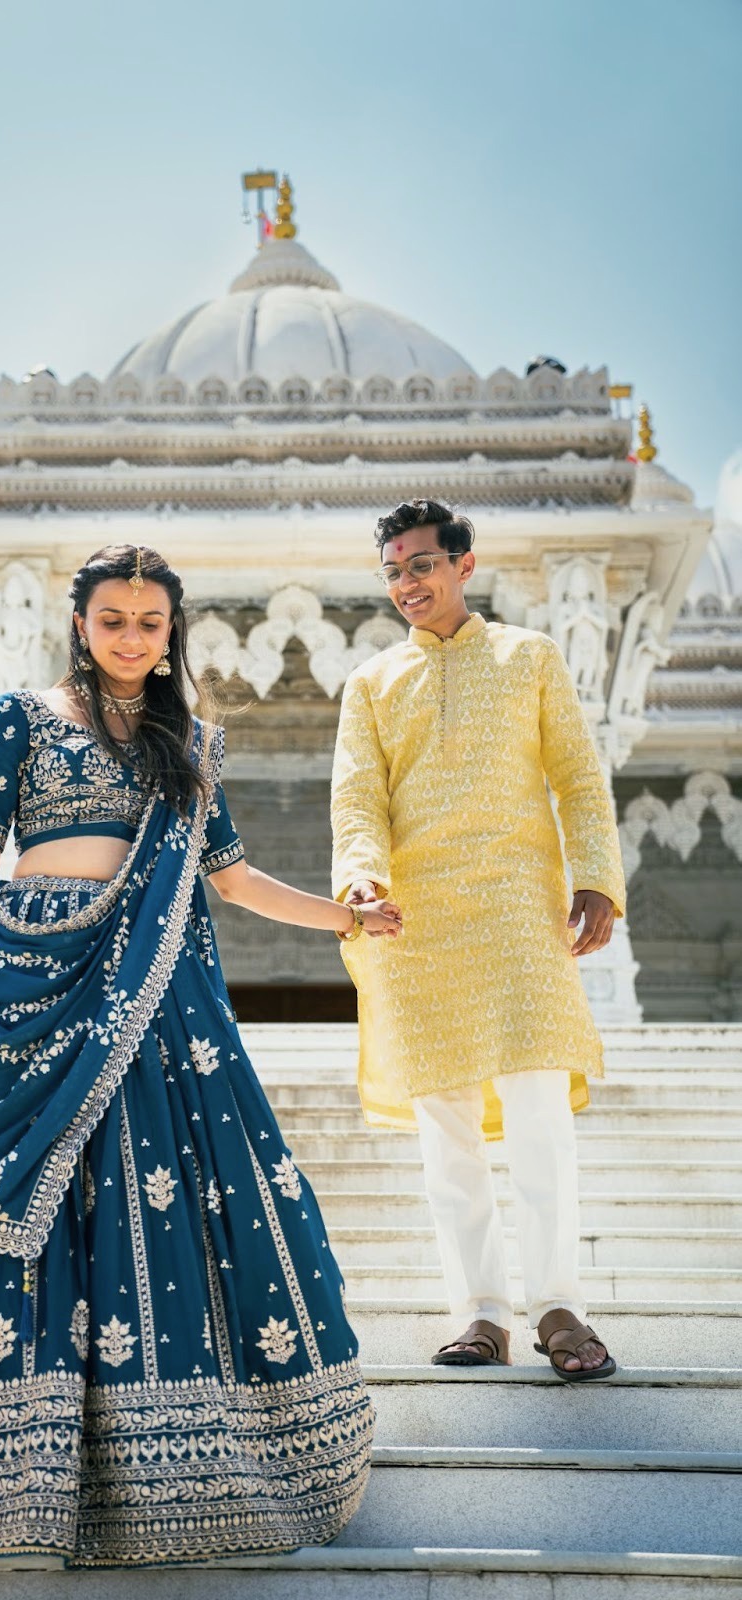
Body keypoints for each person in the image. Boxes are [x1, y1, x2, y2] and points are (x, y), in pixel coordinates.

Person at [0, 543, 397, 1569]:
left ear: (171, 633)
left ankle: (172, 1470)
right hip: (25, 986)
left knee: (162, 1200)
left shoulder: (190, 743)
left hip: (154, 999)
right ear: (82, 625)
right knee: (3, 1199)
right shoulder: (20, 719)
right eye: (112, 618)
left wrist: (345, 917)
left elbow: (235, 879)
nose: (130, 636)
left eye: (149, 622)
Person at [330, 500, 627, 1382]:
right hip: (418, 926)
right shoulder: (373, 682)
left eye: (420, 564)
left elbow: (576, 774)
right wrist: (361, 875)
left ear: (464, 565)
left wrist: (597, 878)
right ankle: (481, 1312)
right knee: (446, 1131)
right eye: (391, 570)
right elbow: (358, 797)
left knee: (539, 1120)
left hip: (520, 917)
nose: (405, 584)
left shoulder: (529, 657)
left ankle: (560, 1308)